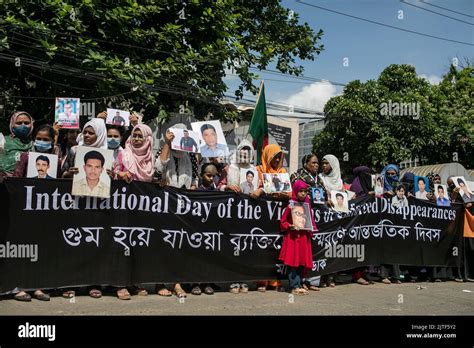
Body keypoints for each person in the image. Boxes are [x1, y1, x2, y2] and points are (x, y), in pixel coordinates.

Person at [279, 180, 317, 295]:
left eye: (305, 191)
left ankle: (300, 284)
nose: (303, 193)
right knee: (293, 262)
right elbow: (283, 221)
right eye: (300, 191)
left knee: (302, 262)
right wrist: (289, 226)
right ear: (295, 191)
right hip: (293, 238)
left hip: (304, 237)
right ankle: (294, 286)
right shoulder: (291, 204)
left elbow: (310, 219)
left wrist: (311, 228)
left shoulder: (307, 204)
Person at [156, 123, 198, 190]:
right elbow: (159, 169)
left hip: (184, 194)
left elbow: (194, 178)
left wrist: (191, 190)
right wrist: (167, 143)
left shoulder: (190, 154)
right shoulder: (163, 150)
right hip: (166, 193)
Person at [0, 111, 34, 181]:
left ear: (31, 125)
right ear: (12, 125)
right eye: (19, 123)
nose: (23, 125)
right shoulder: (3, 140)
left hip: (27, 185)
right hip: (5, 182)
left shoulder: (34, 144)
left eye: (26, 123)